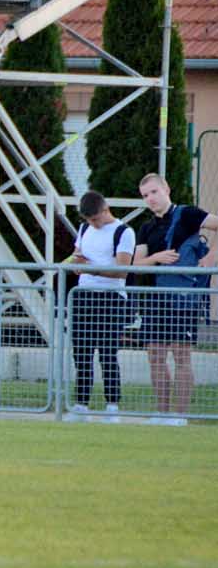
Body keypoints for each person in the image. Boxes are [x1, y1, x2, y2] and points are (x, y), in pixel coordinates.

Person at [132, 172, 218, 425]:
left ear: (166, 189)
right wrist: (156, 259)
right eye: (145, 195)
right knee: (155, 355)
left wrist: (211, 257)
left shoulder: (188, 214)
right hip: (155, 298)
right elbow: (137, 263)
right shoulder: (146, 227)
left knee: (181, 355)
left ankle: (181, 416)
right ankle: (162, 412)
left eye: (154, 192)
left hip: (183, 297)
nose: (150, 199)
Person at [67, 191, 135, 422]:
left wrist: (91, 268)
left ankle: (112, 406)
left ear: (105, 210)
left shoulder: (123, 232)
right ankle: (81, 405)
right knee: (82, 353)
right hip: (84, 295)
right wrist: (75, 264)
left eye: (95, 219)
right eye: (88, 220)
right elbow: (78, 254)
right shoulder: (85, 229)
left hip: (110, 297)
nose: (92, 224)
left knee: (108, 353)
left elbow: (122, 270)